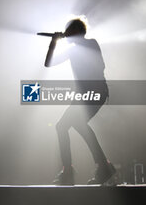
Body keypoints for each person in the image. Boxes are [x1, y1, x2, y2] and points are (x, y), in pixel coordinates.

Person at [44, 18, 115, 185]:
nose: (66, 34)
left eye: (69, 31)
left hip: (95, 92)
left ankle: (71, 171)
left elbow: (99, 65)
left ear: (76, 31)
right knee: (71, 125)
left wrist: (65, 38)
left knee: (67, 125)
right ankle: (101, 167)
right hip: (84, 95)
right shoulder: (72, 50)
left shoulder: (91, 43)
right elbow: (48, 63)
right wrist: (54, 43)